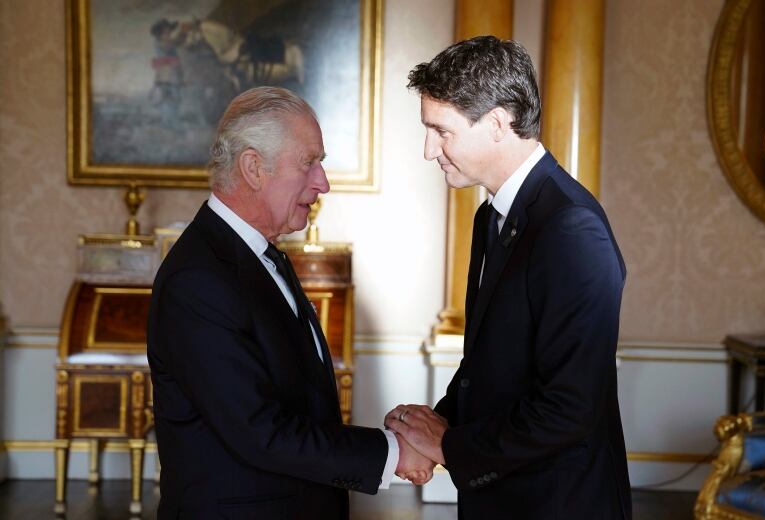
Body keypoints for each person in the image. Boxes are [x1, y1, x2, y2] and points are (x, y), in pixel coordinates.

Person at [147, 86, 433, 520]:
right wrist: (392, 452)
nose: (323, 183)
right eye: (309, 162)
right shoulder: (198, 279)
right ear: (253, 167)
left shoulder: (260, 254)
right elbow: (260, 431)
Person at [385, 36, 632, 519]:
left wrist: (450, 446)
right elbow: (491, 365)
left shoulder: (571, 227)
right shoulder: (491, 216)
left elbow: (570, 407)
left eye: (442, 131)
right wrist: (433, 423)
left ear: (497, 123)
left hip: (557, 504)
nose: (428, 149)